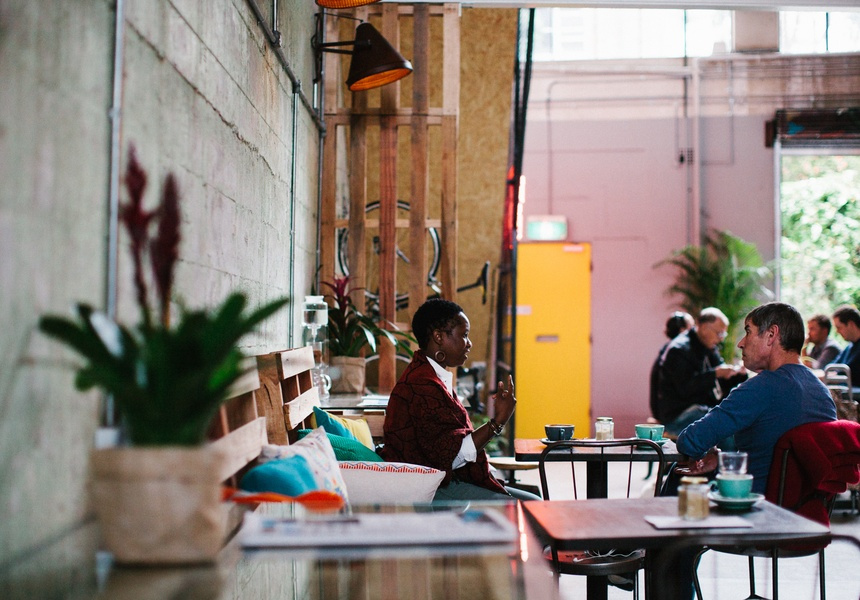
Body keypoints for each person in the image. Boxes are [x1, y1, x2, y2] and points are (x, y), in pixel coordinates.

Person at [381, 298, 536, 501]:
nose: (469, 343)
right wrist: (498, 421)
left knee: (534, 500)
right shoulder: (422, 386)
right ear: (439, 337)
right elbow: (452, 456)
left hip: (444, 481)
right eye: (464, 335)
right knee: (530, 506)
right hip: (432, 489)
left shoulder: (429, 376)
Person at [676, 302, 837, 494]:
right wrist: (723, 460)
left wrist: (711, 453)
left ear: (771, 335)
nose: (741, 343)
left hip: (753, 504)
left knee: (678, 477)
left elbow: (690, 441)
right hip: (804, 506)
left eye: (748, 332)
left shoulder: (760, 387)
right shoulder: (822, 393)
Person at [655, 307, 747, 436]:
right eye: (719, 333)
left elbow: (721, 380)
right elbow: (685, 389)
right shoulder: (679, 349)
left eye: (723, 334)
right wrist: (715, 373)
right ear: (704, 328)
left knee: (736, 417)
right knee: (724, 424)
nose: (721, 339)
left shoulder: (709, 346)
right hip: (678, 415)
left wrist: (738, 374)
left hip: (700, 409)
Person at [649, 311, 694, 421]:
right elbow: (685, 388)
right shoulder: (676, 352)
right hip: (668, 415)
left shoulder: (667, 349)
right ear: (683, 330)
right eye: (692, 328)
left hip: (662, 412)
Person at [830, 305, 860, 386]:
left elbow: (849, 373)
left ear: (851, 324)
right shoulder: (849, 347)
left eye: (839, 327)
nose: (837, 332)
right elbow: (832, 366)